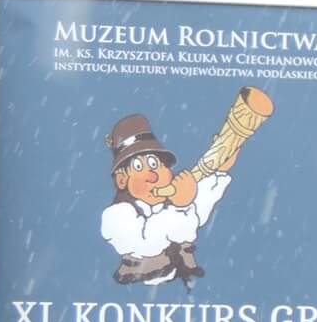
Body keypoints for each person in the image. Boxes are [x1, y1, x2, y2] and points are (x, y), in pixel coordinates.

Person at [98, 112, 234, 287]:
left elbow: (199, 203)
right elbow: (147, 242)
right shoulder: (116, 215)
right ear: (122, 180)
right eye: (138, 167)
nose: (153, 176)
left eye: (155, 164)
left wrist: (219, 169)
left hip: (184, 284)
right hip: (136, 288)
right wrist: (180, 206)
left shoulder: (170, 202)